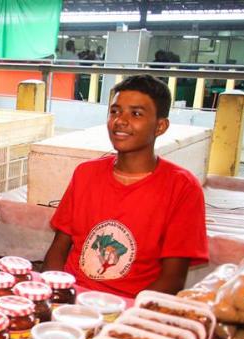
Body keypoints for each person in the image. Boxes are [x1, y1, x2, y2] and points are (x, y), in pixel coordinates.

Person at [41, 75, 208, 298]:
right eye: (115, 111)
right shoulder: (86, 174)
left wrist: (121, 317)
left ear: (160, 126)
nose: (120, 120)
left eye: (136, 114)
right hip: (71, 298)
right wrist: (53, 294)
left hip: (129, 307)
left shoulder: (182, 187)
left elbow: (173, 279)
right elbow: (57, 251)